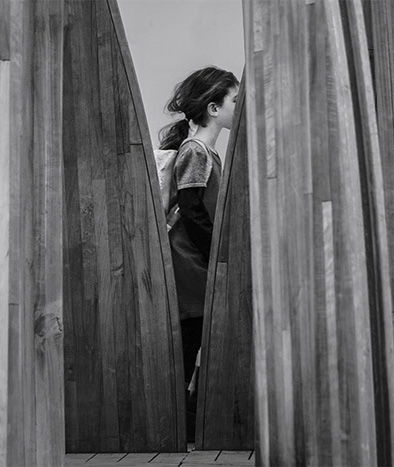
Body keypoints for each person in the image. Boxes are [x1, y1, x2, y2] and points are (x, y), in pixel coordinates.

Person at [159, 66, 239, 442]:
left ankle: (185, 425)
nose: (238, 107)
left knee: (195, 344)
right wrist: (218, 259)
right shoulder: (196, 151)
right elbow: (192, 212)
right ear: (213, 107)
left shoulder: (206, 152)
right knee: (190, 344)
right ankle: (180, 427)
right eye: (234, 101)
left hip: (196, 264)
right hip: (190, 266)